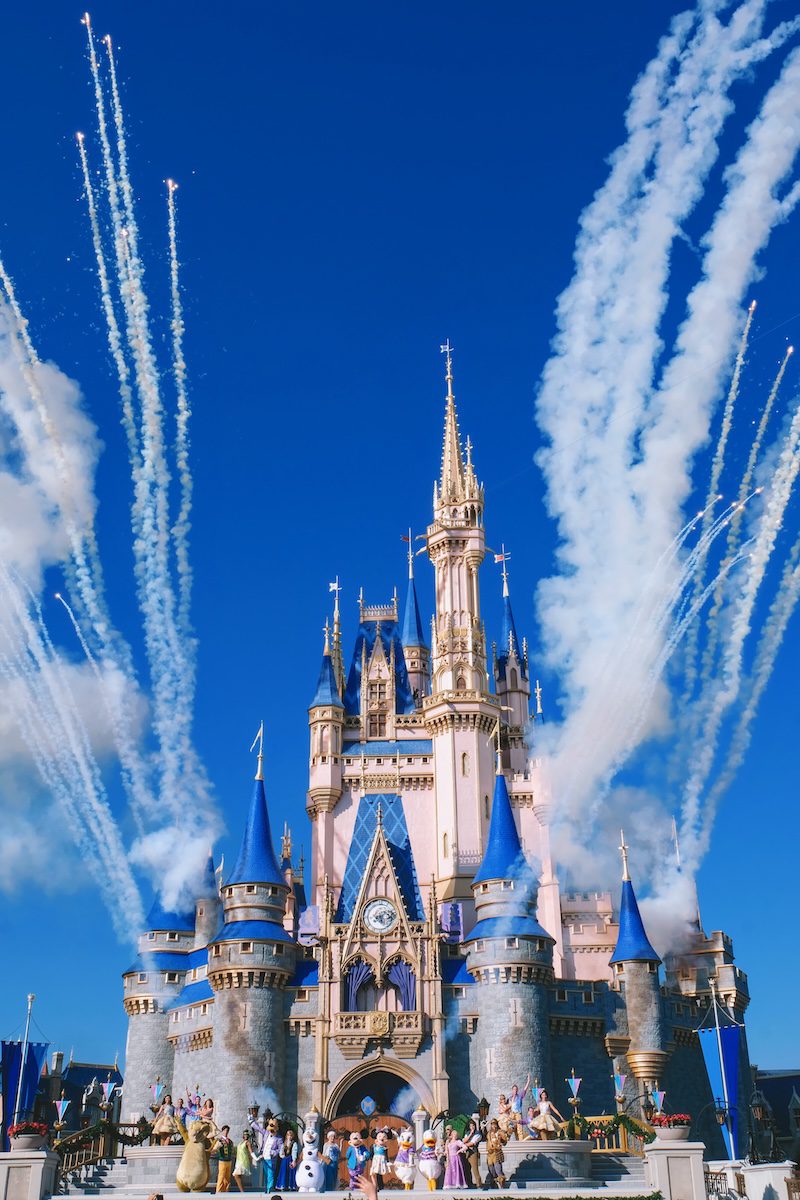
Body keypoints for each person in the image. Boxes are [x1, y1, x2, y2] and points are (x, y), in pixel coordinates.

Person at [485, 1119, 507, 1189]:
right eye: (492, 1124)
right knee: (491, 1171)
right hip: (489, 1154)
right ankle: (493, 1186)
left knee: (498, 1170)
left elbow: (504, 1142)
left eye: (494, 1124)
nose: (493, 1125)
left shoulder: (500, 1132)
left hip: (497, 1152)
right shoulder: (488, 1133)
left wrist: (501, 1139)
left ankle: (502, 1186)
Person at [214, 1126, 235, 1193]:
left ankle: (226, 1190)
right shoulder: (219, 1140)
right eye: (225, 1130)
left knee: (227, 1177)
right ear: (222, 1131)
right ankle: (219, 1191)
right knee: (221, 1176)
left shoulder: (230, 1141)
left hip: (229, 1160)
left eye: (227, 1131)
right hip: (222, 1160)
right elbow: (214, 1149)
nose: (226, 1132)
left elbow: (232, 1150)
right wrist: (216, 1148)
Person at [463, 1119, 482, 1188]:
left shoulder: (478, 1134)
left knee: (475, 1170)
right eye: (471, 1126)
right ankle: (469, 1184)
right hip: (467, 1153)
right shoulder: (467, 1133)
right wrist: (470, 1134)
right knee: (467, 1169)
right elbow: (464, 1140)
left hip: (473, 1152)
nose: (472, 1127)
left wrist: (464, 1145)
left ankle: (479, 1184)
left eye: (473, 1125)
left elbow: (473, 1142)